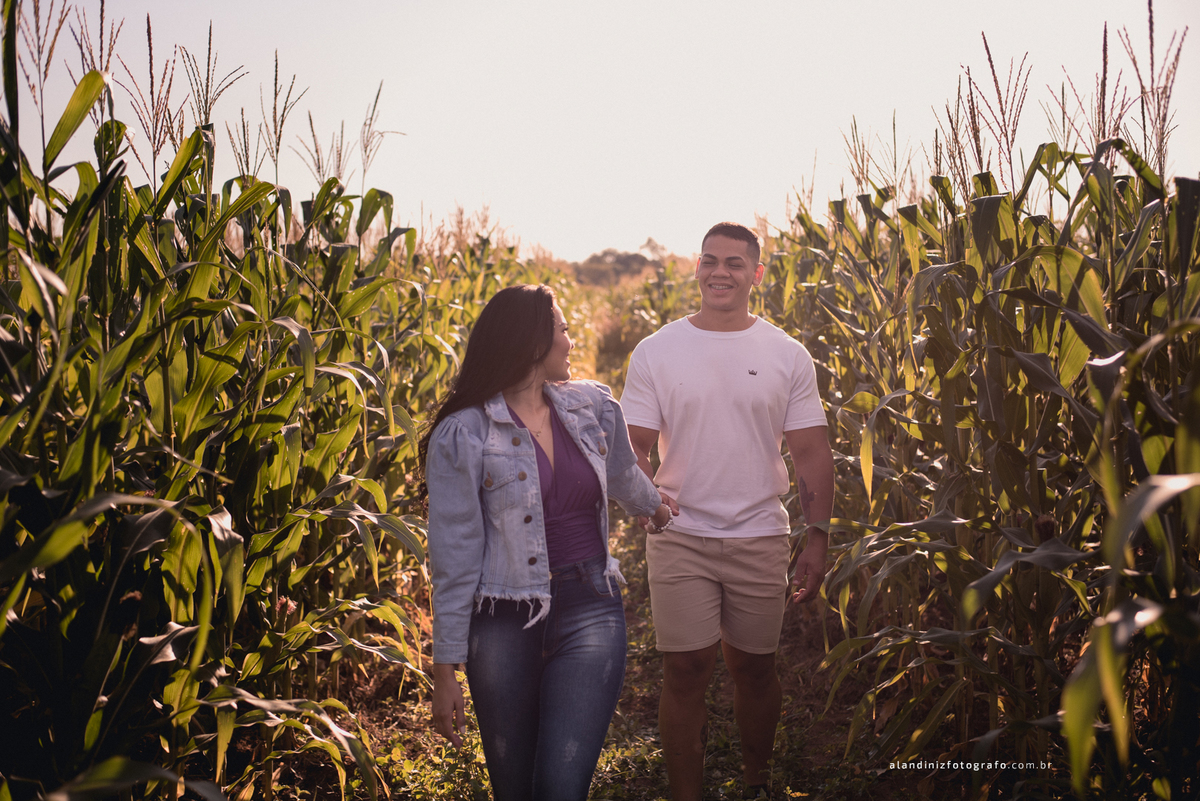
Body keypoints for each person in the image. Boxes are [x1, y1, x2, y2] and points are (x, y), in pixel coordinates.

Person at [420, 284, 678, 801]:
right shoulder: (464, 433)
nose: (570, 339)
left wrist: (657, 508)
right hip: (502, 619)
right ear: (533, 343)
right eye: (562, 329)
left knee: (561, 787)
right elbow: (454, 554)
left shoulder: (593, 406)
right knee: (514, 789)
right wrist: (444, 669)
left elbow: (624, 474)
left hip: (591, 605)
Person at [620, 222, 835, 800]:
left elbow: (812, 451)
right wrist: (650, 499)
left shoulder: (786, 354)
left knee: (754, 667)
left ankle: (757, 782)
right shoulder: (657, 350)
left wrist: (817, 539)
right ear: (696, 267)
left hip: (759, 533)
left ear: (757, 274)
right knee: (686, 667)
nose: (721, 271)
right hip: (680, 534)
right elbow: (632, 445)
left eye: (735, 263)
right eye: (710, 260)